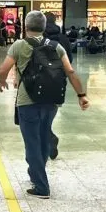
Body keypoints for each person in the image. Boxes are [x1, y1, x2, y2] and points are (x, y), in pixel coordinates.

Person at [0, 11, 89, 199]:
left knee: (32, 143)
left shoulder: (19, 45)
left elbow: (3, 69)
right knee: (43, 136)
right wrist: (82, 95)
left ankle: (41, 187)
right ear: (44, 27)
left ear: (25, 25)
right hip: (51, 101)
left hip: (27, 102)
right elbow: (70, 71)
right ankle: (36, 174)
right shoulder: (56, 47)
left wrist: (1, 81)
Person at [43, 12, 72, 160]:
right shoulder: (63, 39)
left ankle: (49, 137)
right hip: (58, 83)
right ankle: (48, 136)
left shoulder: (38, 39)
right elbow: (69, 62)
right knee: (49, 112)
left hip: (39, 83)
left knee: (38, 116)